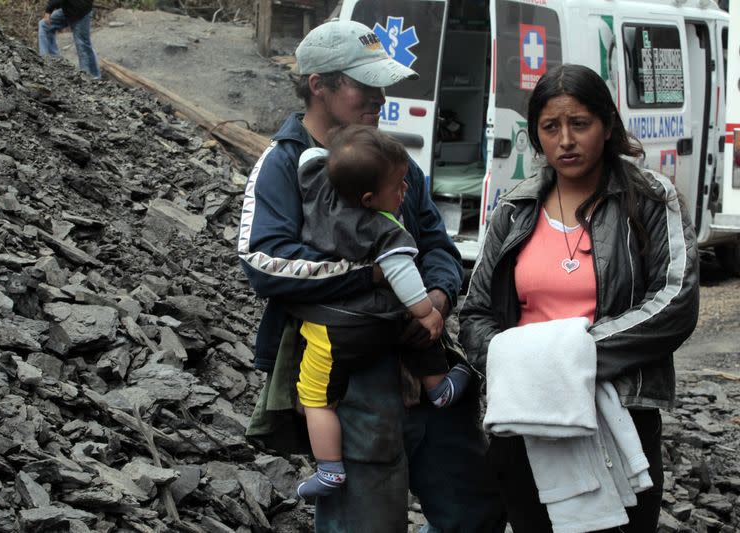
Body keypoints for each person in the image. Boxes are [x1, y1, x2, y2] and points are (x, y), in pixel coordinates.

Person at [239, 19, 505, 533]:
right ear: (320, 84)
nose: (381, 97)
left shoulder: (389, 159)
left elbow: (435, 244)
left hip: (424, 363)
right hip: (351, 382)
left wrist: (438, 297)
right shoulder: (284, 164)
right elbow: (264, 262)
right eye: (365, 85)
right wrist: (378, 276)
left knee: (474, 507)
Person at [458, 64, 699, 532]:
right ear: (537, 136)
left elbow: (675, 303)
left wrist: (571, 359)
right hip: (528, 414)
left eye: (580, 124)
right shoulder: (514, 209)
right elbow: (477, 313)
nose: (565, 139)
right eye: (551, 127)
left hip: (616, 409)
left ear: (607, 127)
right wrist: (523, 366)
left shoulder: (649, 198)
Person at [291, 125, 473, 500]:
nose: (404, 192)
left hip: (329, 328)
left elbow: (310, 159)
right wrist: (426, 309)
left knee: (317, 398)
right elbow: (404, 276)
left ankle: (328, 467)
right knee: (415, 325)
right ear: (371, 198)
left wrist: (335, 156)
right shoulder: (384, 230)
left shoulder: (316, 191)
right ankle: (439, 387)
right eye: (398, 188)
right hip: (370, 325)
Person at [38, 0, 101, 79]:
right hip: (68, 10)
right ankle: (51, 61)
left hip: (81, 11)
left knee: (82, 44)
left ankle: (91, 77)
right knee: (44, 25)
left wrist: (49, 10)